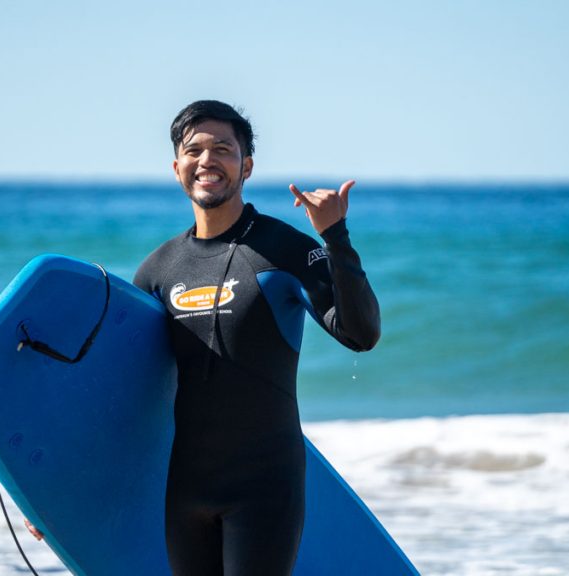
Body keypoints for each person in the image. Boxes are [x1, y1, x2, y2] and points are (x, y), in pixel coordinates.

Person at [133, 100, 381, 575]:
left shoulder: (283, 250)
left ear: (246, 165)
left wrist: (336, 237)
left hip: (264, 487)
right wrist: (53, 492)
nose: (207, 160)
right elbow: (121, 386)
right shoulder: (158, 270)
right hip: (185, 491)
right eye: (195, 150)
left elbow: (361, 333)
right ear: (177, 167)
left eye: (223, 149)